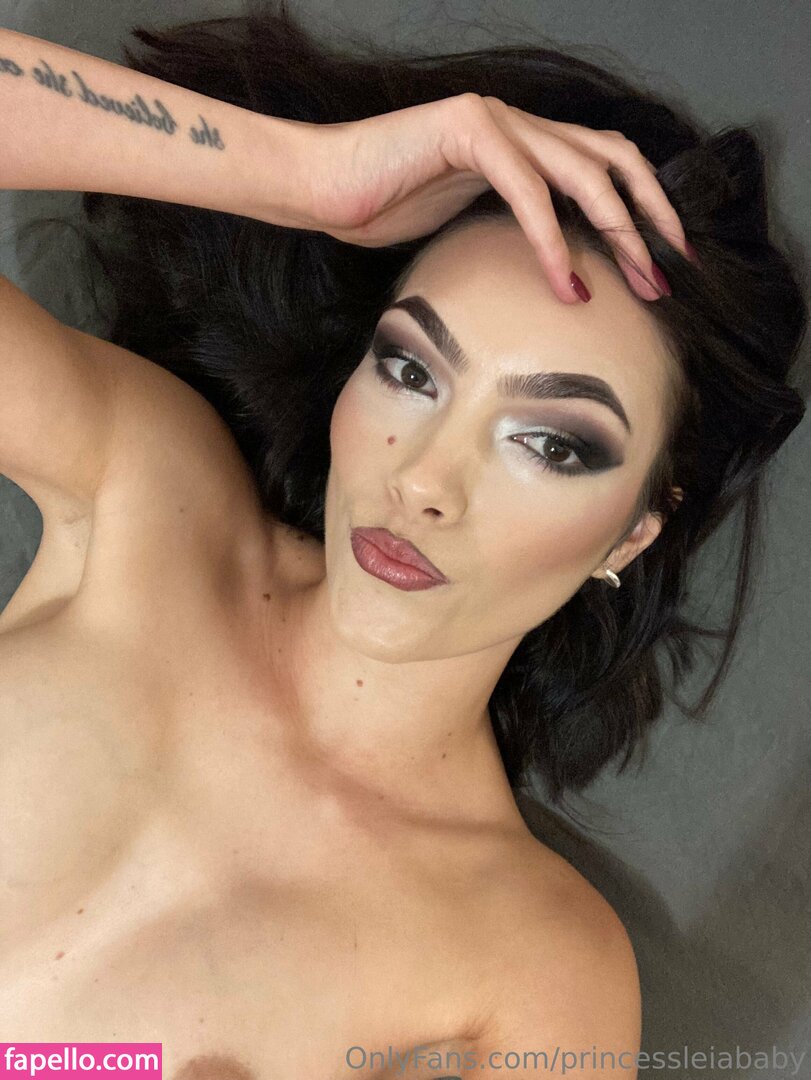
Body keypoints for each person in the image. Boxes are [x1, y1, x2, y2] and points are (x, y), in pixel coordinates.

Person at [0, 3, 806, 1078]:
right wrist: (309, 177)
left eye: (548, 444)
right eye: (410, 370)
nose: (423, 480)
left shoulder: (531, 965)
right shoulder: (149, 493)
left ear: (632, 534)